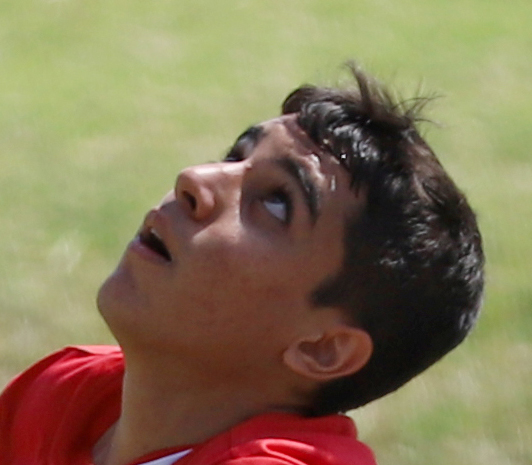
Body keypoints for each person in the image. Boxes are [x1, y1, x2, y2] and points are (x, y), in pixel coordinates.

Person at [0, 64, 484, 465]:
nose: (194, 178)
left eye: (276, 203)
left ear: (322, 348)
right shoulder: (61, 393)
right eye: (235, 156)